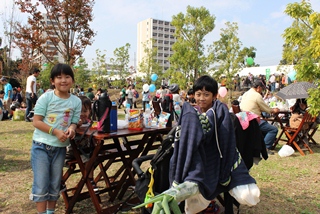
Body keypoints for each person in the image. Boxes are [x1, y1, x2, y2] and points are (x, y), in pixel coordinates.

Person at [167, 75, 258, 213]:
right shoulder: (192, 113)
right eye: (198, 94)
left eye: (206, 95)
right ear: (193, 95)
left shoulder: (218, 111)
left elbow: (225, 138)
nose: (201, 98)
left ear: (215, 95)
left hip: (214, 156)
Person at [30, 63, 81, 214]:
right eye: (59, 77)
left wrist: (72, 129)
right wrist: (55, 131)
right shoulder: (46, 98)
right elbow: (36, 121)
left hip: (59, 149)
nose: (63, 80)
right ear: (52, 81)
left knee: (54, 183)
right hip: (41, 146)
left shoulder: (76, 101)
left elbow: (74, 121)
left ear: (72, 79)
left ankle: (50, 211)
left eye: (67, 76)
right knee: (41, 183)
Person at [65, 95, 99, 193]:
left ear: (90, 111)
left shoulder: (90, 123)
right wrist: (75, 125)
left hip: (84, 150)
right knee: (90, 158)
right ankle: (90, 180)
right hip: (70, 152)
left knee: (96, 155)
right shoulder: (70, 122)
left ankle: (87, 180)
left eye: (85, 111)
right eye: (79, 111)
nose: (82, 114)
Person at [240, 79, 280, 154]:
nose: (262, 91)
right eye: (261, 89)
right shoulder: (256, 95)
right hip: (252, 120)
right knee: (273, 129)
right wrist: (274, 110)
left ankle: (260, 145)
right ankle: (265, 148)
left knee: (265, 128)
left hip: (243, 119)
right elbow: (266, 109)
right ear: (258, 87)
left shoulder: (246, 94)